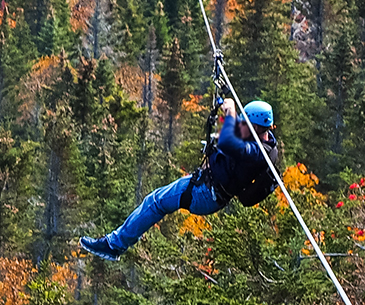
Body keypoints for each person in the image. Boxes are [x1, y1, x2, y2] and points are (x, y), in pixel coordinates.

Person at [81, 100, 279, 260]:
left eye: (244, 123)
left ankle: (114, 245)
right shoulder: (263, 138)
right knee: (155, 200)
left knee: (155, 202)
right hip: (206, 185)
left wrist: (230, 112)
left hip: (205, 194)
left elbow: (229, 142)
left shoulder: (257, 152)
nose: (239, 124)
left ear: (254, 127)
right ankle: (116, 243)